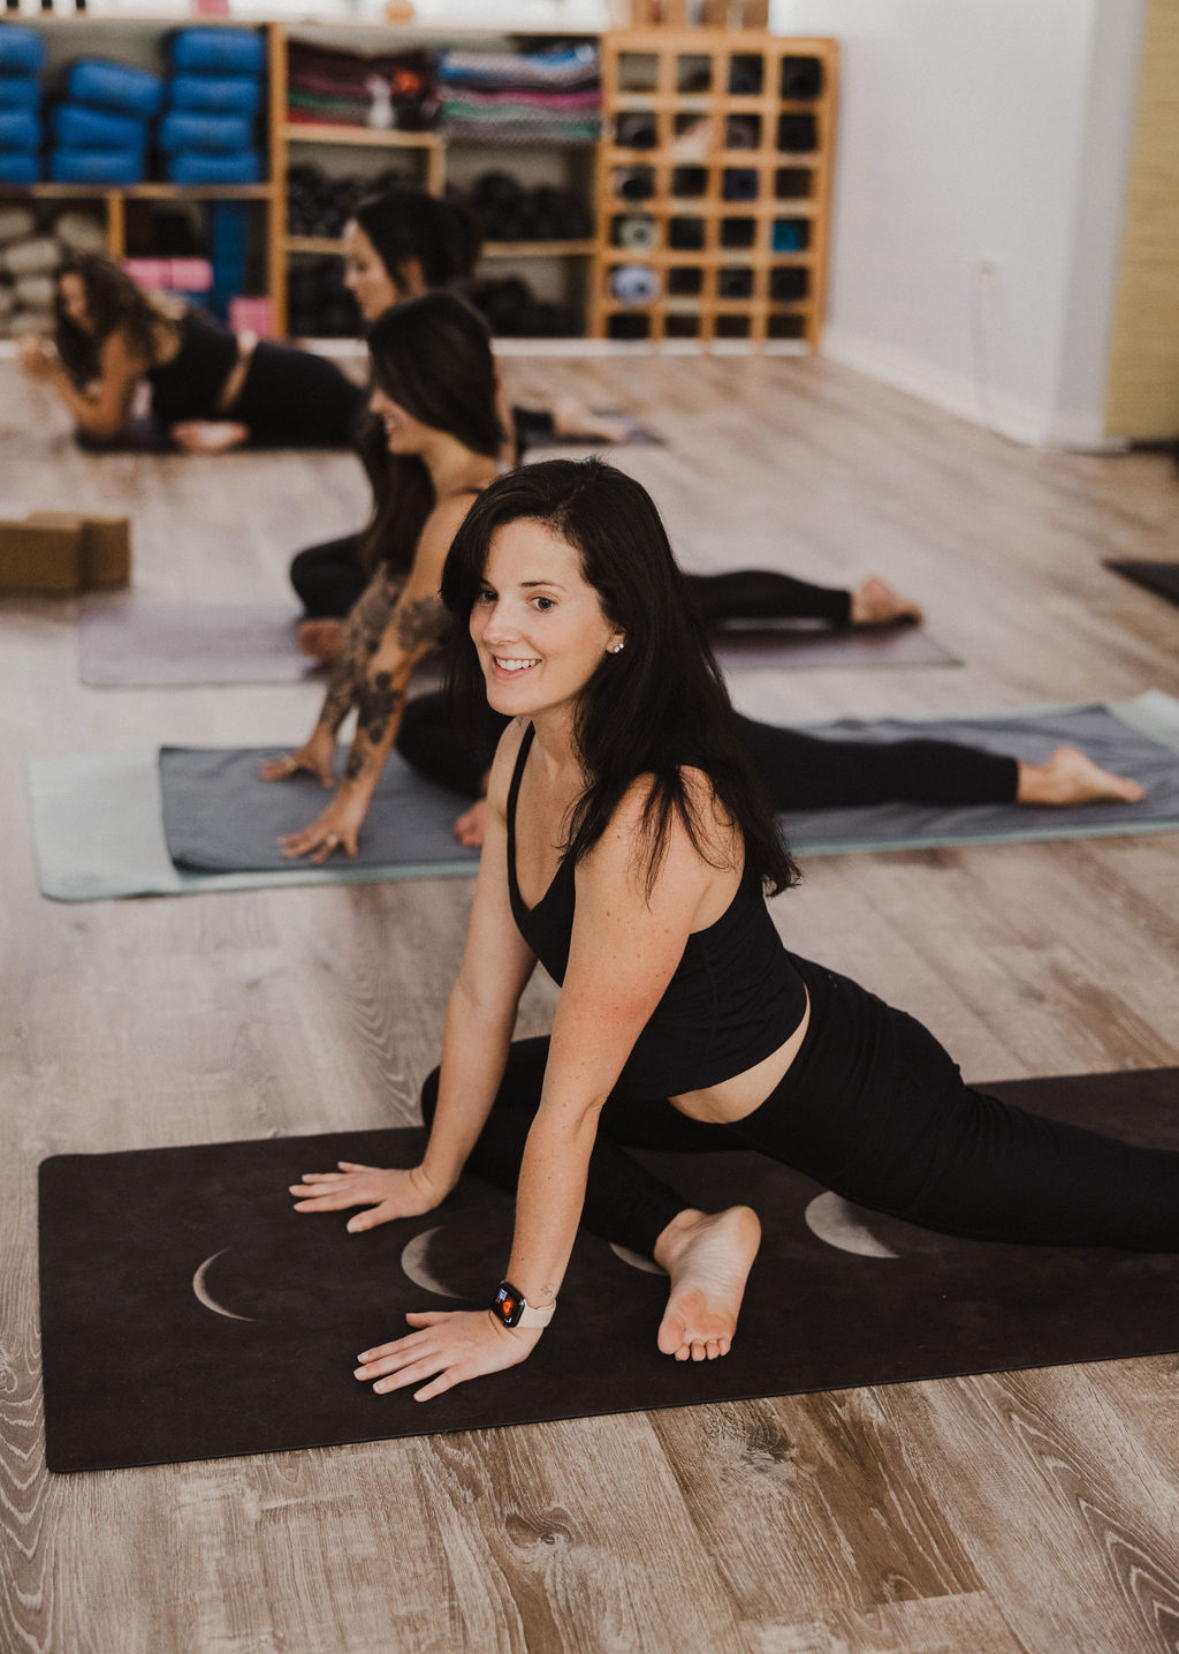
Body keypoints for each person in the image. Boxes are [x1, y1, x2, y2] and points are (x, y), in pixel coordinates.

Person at [288, 459, 1177, 1403]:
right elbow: (479, 994)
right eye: (487, 594)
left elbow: (577, 1106)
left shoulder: (654, 813)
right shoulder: (522, 749)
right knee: (464, 1102)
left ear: (620, 620)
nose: (496, 629)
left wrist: (513, 1320)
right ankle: (695, 1238)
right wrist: (428, 1181)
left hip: (851, 1099)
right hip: (676, 1080)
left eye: (540, 601)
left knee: (1139, 1205)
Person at [288, 184, 921, 660]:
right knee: (314, 571)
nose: (348, 282)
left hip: (466, 542)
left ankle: (851, 603)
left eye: (360, 265)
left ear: (410, 271)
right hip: (411, 540)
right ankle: (413, 625)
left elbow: (486, 431)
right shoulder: (401, 350)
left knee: (676, 598)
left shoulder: (450, 340)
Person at [259, 289, 500, 863]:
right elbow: (375, 613)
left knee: (734, 769)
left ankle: (527, 785)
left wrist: (350, 802)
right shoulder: (433, 489)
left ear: (430, 388)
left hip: (605, 725)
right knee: (420, 726)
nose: (377, 406)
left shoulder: (461, 512)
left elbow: (392, 664)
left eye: (389, 388)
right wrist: (324, 737)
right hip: (519, 702)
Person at [392, 689, 1144, 848]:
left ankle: (1045, 776)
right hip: (600, 724)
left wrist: (513, 787)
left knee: (848, 770)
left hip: (669, 722)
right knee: (416, 728)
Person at [18, 251, 366, 453]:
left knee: (373, 425)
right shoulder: (137, 315)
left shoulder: (123, 336)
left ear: (104, 294)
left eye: (82, 298)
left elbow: (106, 427)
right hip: (271, 387)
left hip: (292, 385)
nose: (73, 310)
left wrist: (54, 375)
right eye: (66, 300)